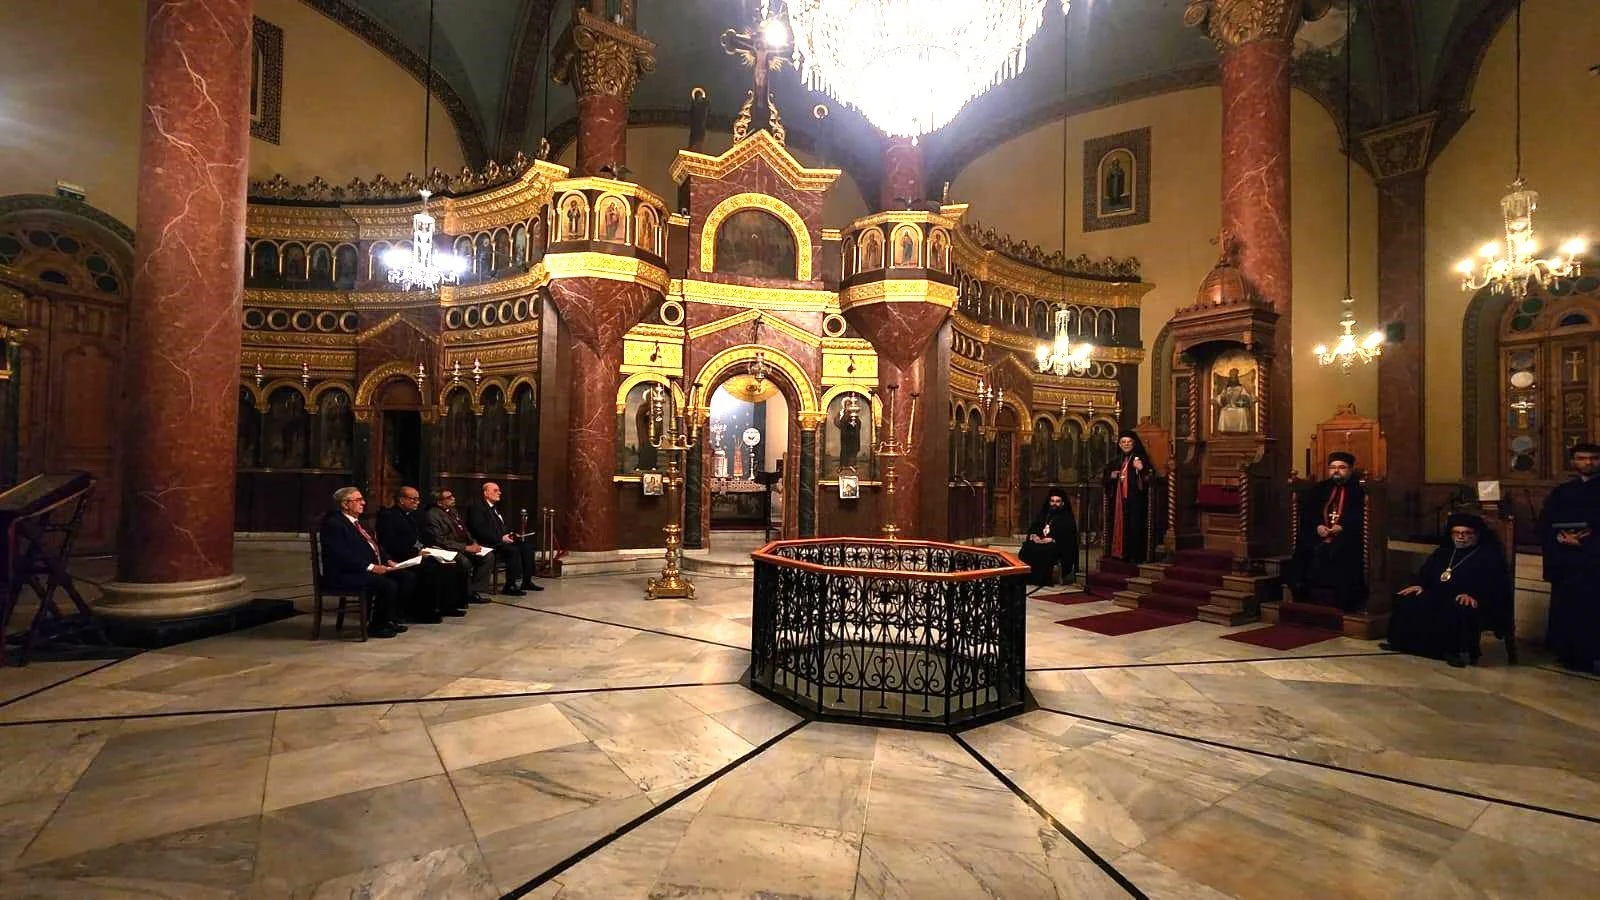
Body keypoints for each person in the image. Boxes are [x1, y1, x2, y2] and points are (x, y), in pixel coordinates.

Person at [1383, 513, 1512, 668]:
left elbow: (1495, 585)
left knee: (1457, 607)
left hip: (1469, 598)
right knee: (1406, 598)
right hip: (1437, 593)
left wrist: (1475, 595)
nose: (1461, 537)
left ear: (1477, 535)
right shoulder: (1443, 552)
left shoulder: (1488, 556)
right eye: (1456, 533)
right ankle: (1404, 644)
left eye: (1466, 533)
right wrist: (1420, 584)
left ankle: (1452, 651)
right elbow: (1426, 572)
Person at [317, 487, 412, 639]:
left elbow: (375, 546)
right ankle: (377, 626)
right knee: (387, 585)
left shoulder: (358, 523)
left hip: (359, 569)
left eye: (362, 499)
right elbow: (341, 555)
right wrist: (372, 567)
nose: (363, 503)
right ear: (345, 504)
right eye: (358, 500)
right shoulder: (334, 524)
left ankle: (389, 619)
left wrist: (388, 560)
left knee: (404, 577)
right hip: (343, 574)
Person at [1541, 442, 1600, 671]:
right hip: (1566, 562)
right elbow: (1546, 522)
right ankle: (1567, 653)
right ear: (1574, 462)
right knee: (1566, 607)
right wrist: (1559, 538)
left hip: (1594, 561)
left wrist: (1585, 541)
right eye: (1582, 458)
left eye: (1593, 458)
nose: (1588, 463)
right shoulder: (1562, 492)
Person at [1285, 451, 1367, 610]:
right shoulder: (1320, 488)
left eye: (1342, 467)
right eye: (1333, 467)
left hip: (1347, 534)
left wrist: (1343, 526)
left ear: (1350, 469)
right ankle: (1302, 593)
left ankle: (1343, 601)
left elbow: (1361, 515)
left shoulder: (1360, 490)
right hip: (1321, 533)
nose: (1336, 471)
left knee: (1341, 550)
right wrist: (1318, 526)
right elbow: (1309, 512)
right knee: (1305, 547)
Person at [376, 485, 467, 620]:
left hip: (417, 553)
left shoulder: (413, 516)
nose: (417, 502)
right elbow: (389, 544)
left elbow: (421, 538)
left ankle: (446, 606)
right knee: (430, 568)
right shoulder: (389, 516)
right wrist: (415, 553)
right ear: (402, 500)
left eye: (418, 499)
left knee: (451, 564)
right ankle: (422, 611)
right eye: (413, 499)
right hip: (399, 557)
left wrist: (429, 548)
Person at [465, 481, 542, 595]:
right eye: (495, 490)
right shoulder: (477, 508)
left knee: (527, 547)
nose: (499, 493)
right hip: (488, 543)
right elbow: (479, 530)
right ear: (486, 493)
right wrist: (500, 538)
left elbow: (501, 526)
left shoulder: (495, 508)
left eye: (499, 490)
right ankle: (510, 585)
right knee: (512, 551)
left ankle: (526, 581)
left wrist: (511, 534)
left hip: (501, 541)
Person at [422, 487, 495, 603]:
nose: (453, 499)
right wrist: (466, 548)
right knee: (464, 562)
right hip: (447, 548)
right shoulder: (432, 515)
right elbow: (440, 541)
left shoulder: (453, 511)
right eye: (449, 497)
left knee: (488, 556)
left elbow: (464, 530)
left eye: (452, 496)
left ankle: (473, 591)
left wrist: (473, 542)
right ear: (439, 502)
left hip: (463, 544)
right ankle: (462, 594)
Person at [1103, 431, 1154, 564]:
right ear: (1119, 445)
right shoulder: (1115, 461)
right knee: (1120, 526)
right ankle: (1120, 553)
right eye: (1123, 442)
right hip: (1119, 500)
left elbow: (1150, 478)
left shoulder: (1140, 458)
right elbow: (1105, 478)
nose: (1126, 444)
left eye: (1128, 442)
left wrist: (1141, 469)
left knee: (1134, 526)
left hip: (1135, 500)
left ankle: (1135, 555)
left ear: (1134, 443)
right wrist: (1111, 477)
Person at [1018, 487, 1079, 588]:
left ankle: (1043, 580)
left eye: (1057, 501)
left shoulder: (1067, 517)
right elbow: (1034, 527)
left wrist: (1053, 539)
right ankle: (1028, 578)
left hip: (1057, 546)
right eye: (1052, 501)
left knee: (1047, 549)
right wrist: (1034, 536)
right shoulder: (1044, 514)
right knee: (1027, 547)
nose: (1054, 504)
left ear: (1063, 503)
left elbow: (1069, 538)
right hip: (1041, 542)